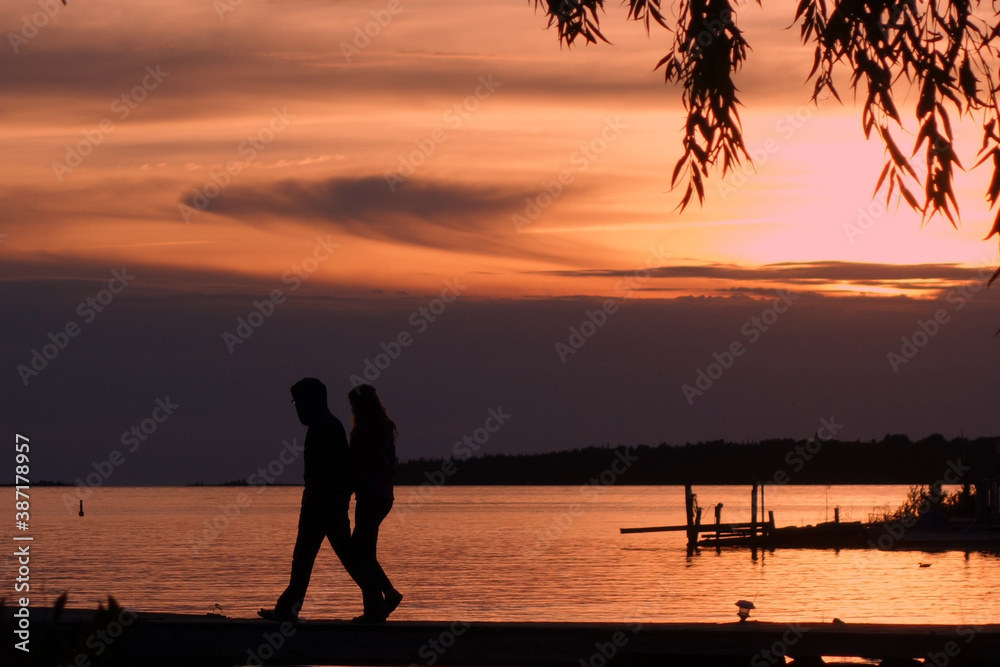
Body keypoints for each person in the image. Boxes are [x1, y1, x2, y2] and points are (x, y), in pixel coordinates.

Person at [259, 378, 386, 623]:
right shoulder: (329, 426)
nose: (297, 408)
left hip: (321, 504)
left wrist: (328, 496)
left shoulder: (323, 428)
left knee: (307, 558)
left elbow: (332, 470)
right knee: (339, 556)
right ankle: (375, 604)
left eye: (298, 402)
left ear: (313, 401)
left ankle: (288, 610)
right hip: (329, 502)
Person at [348, 383, 403, 617]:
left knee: (357, 552)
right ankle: (386, 595)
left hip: (369, 495)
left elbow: (357, 464)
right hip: (384, 495)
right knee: (365, 551)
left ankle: (379, 601)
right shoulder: (384, 429)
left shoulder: (364, 431)